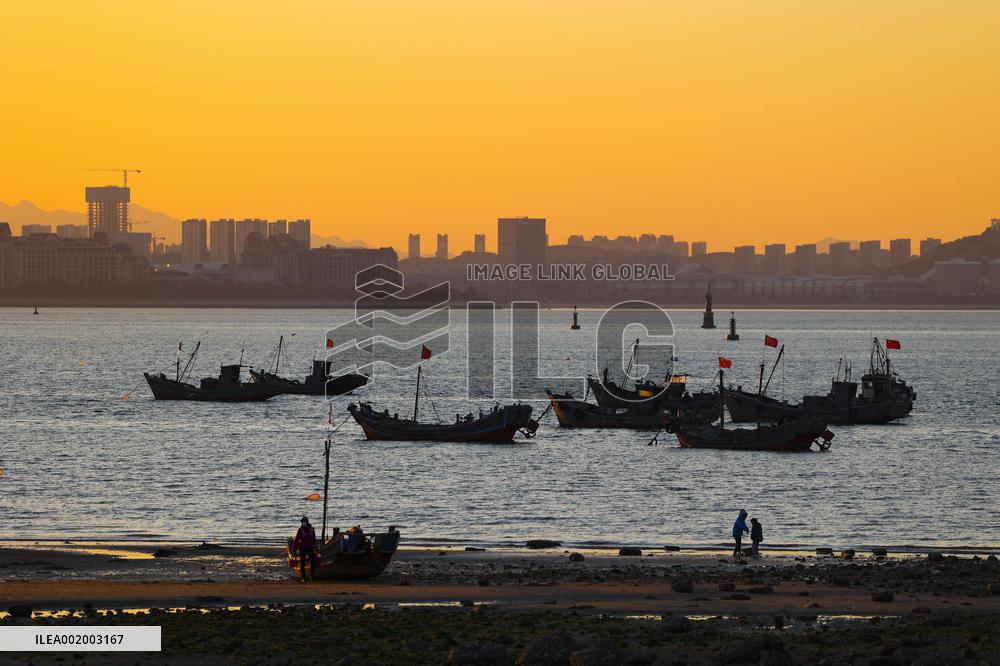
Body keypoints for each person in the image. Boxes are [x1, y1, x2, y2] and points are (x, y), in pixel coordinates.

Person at [292, 516, 317, 581]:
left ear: (307, 522)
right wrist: (294, 549)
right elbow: (297, 540)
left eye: (304, 522)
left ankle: (311, 575)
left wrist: (315, 546)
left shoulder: (312, 529)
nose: (303, 523)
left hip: (310, 548)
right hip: (302, 548)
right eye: (302, 522)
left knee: (313, 561)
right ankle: (303, 577)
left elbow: (314, 539)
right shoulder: (300, 530)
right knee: (302, 562)